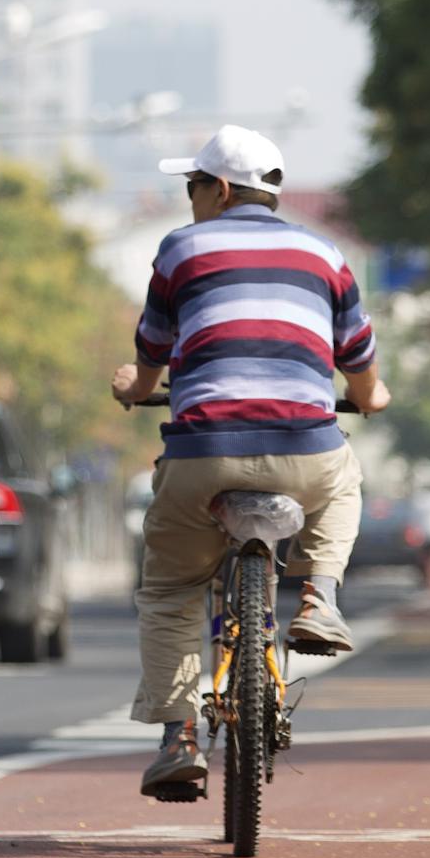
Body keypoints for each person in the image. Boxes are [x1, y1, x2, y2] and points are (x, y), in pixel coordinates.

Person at [111, 124, 391, 798]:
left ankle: (178, 737)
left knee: (172, 589)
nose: (190, 201)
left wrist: (134, 389)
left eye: (193, 187)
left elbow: (153, 354)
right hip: (307, 448)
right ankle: (319, 596)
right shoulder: (325, 252)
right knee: (345, 480)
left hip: (204, 448)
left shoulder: (180, 249)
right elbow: (358, 360)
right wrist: (369, 396)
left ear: (222, 189)